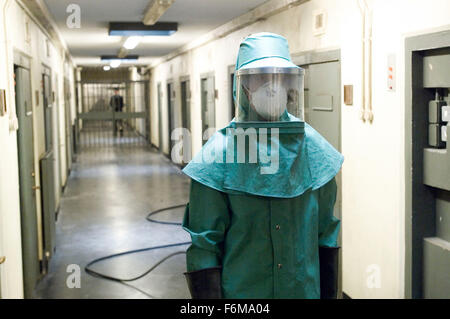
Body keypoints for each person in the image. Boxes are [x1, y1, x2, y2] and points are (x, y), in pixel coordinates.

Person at [182, 32, 344, 299]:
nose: (272, 86)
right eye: (260, 77)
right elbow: (205, 246)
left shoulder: (314, 149)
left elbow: (326, 233)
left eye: (279, 77)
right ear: (243, 86)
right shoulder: (218, 156)